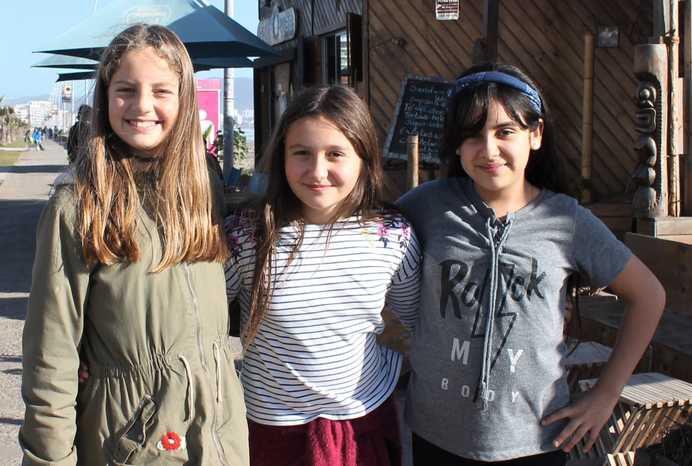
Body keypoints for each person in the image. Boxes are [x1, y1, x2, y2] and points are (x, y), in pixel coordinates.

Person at [396, 63, 665, 465]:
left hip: (538, 440)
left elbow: (649, 295)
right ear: (455, 144)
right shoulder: (426, 206)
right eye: (472, 135)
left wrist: (606, 394)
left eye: (505, 132)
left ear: (535, 134)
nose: (488, 149)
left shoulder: (566, 221)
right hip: (437, 437)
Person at [20, 24, 249, 466]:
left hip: (216, 434)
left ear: (184, 102)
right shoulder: (78, 208)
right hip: (130, 441)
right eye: (126, 89)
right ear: (105, 99)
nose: (143, 106)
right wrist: (49, 458)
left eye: (161, 90)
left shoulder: (201, 194)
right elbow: (51, 356)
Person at [224, 85, 422, 466]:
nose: (317, 171)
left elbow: (417, 323)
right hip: (270, 429)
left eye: (335, 154)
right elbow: (199, 320)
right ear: (282, 157)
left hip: (363, 423)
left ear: (363, 158)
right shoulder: (247, 234)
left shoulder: (392, 236)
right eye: (302, 153)